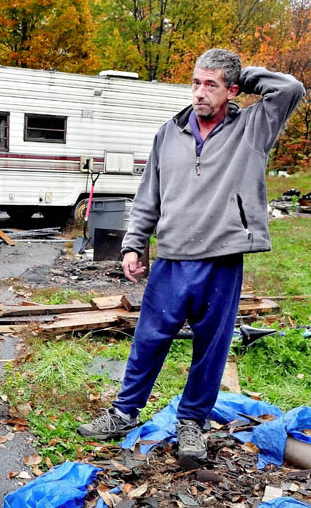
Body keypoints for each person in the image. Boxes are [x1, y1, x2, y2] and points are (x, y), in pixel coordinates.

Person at [76, 49, 305, 462]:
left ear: (233, 90)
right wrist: (134, 243)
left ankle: (192, 424)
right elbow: (149, 194)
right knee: (148, 340)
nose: (199, 93)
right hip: (173, 256)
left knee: (210, 348)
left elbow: (290, 88)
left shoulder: (252, 128)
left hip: (222, 258)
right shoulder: (169, 132)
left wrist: (240, 73)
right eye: (196, 82)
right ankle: (124, 412)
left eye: (211, 85)